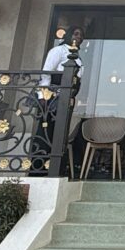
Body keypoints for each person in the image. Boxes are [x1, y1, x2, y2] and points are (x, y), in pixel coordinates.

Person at [31, 28, 84, 173]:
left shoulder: (78, 57)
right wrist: (43, 96)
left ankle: (55, 169)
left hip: (65, 101)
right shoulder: (58, 51)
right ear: (68, 35)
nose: (79, 37)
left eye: (81, 35)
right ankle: (37, 170)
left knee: (59, 136)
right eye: (76, 34)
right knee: (45, 133)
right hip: (52, 98)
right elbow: (47, 72)